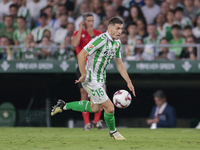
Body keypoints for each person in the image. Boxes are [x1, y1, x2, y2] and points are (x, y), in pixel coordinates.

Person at [51, 17, 136, 140]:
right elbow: (82, 54)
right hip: (91, 78)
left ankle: (63, 106)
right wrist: (83, 74)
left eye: (121, 29)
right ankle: (114, 132)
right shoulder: (100, 39)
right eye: (117, 28)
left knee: (95, 108)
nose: (120, 31)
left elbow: (119, 63)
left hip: (101, 79)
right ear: (109, 28)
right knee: (110, 108)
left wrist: (128, 81)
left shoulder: (117, 43)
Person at [71, 13, 104, 131]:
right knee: (84, 95)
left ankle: (97, 121)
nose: (91, 23)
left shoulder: (98, 33)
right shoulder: (77, 33)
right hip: (82, 67)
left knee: (101, 93)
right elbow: (74, 44)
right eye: (88, 20)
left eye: (92, 20)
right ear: (84, 21)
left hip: (96, 67)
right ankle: (87, 123)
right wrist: (80, 29)